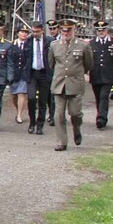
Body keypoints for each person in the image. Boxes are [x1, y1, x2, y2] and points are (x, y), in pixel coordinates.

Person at [48, 18, 94, 152]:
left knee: (75, 113)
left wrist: (78, 74)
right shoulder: (54, 45)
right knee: (58, 115)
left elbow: (89, 64)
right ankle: (61, 142)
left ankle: (77, 128)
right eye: (63, 30)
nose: (66, 32)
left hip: (75, 84)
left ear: (74, 30)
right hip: (59, 84)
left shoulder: (83, 45)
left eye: (69, 30)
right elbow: (51, 64)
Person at [20, 21, 54, 134]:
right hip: (32, 73)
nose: (34, 34)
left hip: (44, 73)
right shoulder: (28, 41)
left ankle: (40, 125)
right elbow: (25, 57)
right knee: (31, 98)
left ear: (42, 31)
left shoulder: (49, 41)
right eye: (33, 31)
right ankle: (32, 122)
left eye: (37, 32)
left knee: (43, 101)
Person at [89, 19, 113, 130]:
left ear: (107, 30)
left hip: (108, 76)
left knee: (103, 96)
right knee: (98, 97)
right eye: (98, 30)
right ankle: (100, 114)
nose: (101, 32)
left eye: (103, 30)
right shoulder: (91, 43)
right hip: (95, 75)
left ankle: (101, 118)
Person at [8, 26, 30, 125]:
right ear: (17, 33)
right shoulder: (11, 45)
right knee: (13, 95)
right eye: (22, 32)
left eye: (26, 32)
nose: (24, 34)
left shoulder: (29, 44)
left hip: (24, 73)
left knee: (22, 93)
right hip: (14, 73)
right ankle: (18, 110)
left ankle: (20, 115)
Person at [46, 19, 59, 124]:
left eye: (54, 28)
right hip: (48, 71)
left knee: (55, 95)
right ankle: (51, 113)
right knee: (48, 95)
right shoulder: (47, 40)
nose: (52, 30)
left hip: (59, 70)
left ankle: (53, 116)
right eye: (50, 29)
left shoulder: (62, 40)